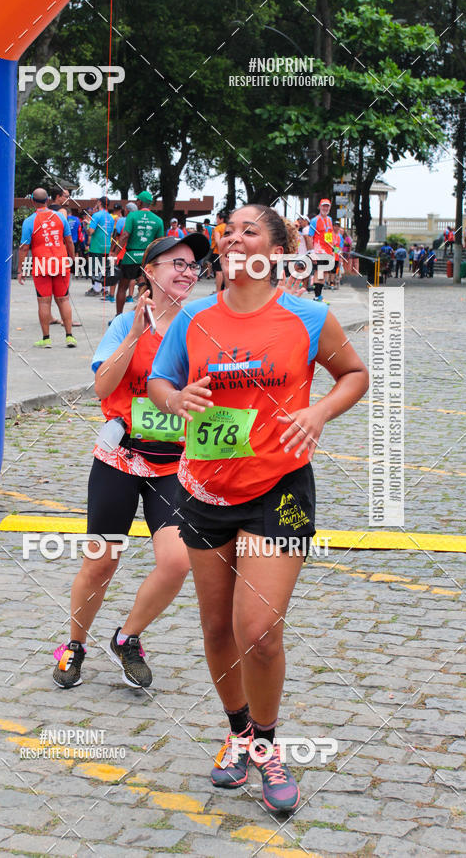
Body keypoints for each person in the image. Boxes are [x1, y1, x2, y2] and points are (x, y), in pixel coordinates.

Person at [148, 204, 369, 814]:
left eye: (250, 230)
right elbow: (160, 383)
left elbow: (353, 374)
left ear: (275, 252)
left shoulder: (308, 316)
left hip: (279, 487)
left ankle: (268, 746)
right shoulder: (193, 317)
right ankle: (238, 733)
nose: (234, 237)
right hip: (204, 490)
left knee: (260, 633)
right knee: (218, 628)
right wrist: (176, 399)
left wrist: (318, 411)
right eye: (229, 231)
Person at [52, 232, 210, 691]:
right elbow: (102, 387)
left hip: (174, 465)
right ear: (149, 272)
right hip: (119, 458)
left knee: (177, 562)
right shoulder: (124, 323)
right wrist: (138, 334)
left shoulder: (201, 326)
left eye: (192, 265)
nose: (186, 271)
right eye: (176, 263)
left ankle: (127, 638)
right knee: (101, 563)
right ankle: (75, 644)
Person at [17, 188, 77, 348]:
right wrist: (72, 259)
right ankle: (69, 336)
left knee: (44, 302)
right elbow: (69, 241)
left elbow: (24, 248)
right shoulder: (60, 217)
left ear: (32, 201)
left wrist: (21, 269)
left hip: (41, 265)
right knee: (64, 299)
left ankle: (46, 339)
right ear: (48, 200)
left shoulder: (29, 221)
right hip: (61, 263)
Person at [116, 190, 164, 315]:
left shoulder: (132, 216)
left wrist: (115, 252)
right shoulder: (158, 220)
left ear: (140, 202)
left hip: (130, 256)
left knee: (122, 288)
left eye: (137, 200)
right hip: (147, 259)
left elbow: (125, 235)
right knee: (145, 288)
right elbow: (159, 242)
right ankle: (146, 316)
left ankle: (118, 317)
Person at [86, 196, 115, 297]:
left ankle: (96, 288)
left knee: (95, 268)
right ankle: (105, 289)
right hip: (106, 246)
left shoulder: (96, 215)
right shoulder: (110, 217)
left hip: (96, 246)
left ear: (99, 203)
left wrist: (87, 225)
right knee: (104, 268)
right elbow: (111, 233)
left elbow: (91, 231)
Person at [305, 198, 334, 301]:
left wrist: (332, 249)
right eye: (323, 206)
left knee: (324, 273)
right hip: (318, 251)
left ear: (329, 208)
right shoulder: (315, 220)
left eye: (327, 206)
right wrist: (311, 252)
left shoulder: (329, 219)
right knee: (319, 272)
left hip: (327, 251)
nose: (325, 208)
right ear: (319, 207)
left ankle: (319, 295)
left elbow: (329, 235)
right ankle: (317, 296)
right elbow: (310, 237)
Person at [211, 211, 227, 292]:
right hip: (227, 252)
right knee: (225, 272)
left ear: (221, 219)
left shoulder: (218, 228)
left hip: (218, 252)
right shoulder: (228, 227)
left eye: (217, 218)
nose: (216, 220)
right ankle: (224, 290)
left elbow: (217, 241)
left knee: (218, 272)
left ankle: (218, 291)